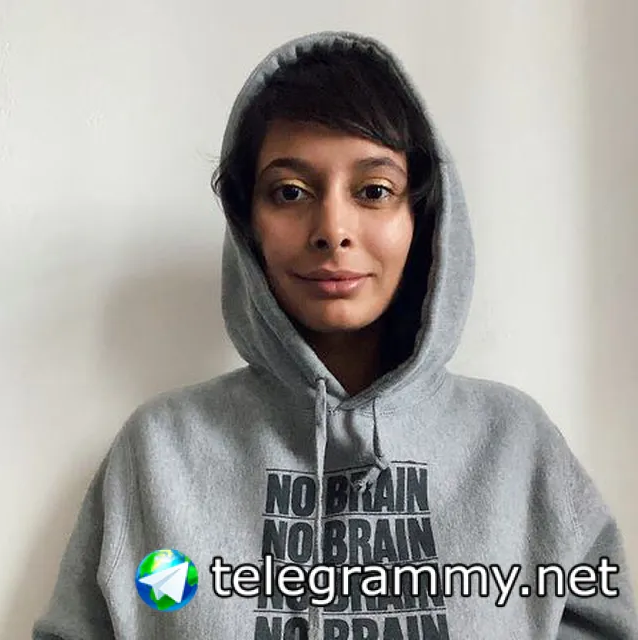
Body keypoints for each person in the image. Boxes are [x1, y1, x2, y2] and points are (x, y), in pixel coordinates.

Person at [33, 31, 637, 640]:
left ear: (421, 216)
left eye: (374, 191)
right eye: (290, 192)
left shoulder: (514, 446)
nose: (333, 229)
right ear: (248, 223)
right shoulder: (161, 451)